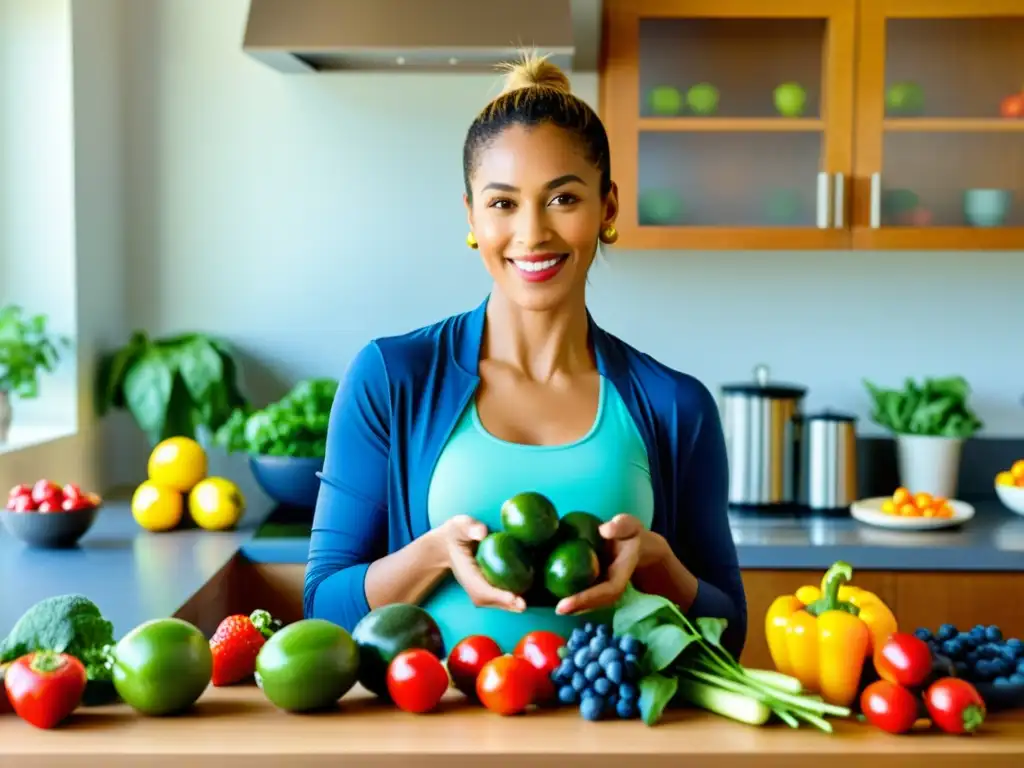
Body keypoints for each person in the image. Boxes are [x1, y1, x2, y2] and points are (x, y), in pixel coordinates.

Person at [304, 52, 747, 660]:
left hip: (613, 739)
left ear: (607, 208)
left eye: (562, 199)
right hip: (438, 738)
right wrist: (433, 553)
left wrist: (656, 562)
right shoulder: (391, 379)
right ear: (471, 215)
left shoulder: (676, 406)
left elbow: (732, 631)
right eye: (503, 203)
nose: (532, 233)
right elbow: (323, 604)